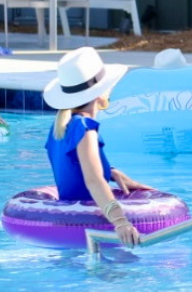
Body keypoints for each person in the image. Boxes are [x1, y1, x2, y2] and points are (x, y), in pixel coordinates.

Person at [43, 46, 150, 245]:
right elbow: (92, 180)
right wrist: (120, 221)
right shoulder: (84, 128)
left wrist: (111, 172)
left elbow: (73, 165)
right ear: (100, 93)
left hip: (68, 226)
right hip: (90, 227)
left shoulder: (60, 126)